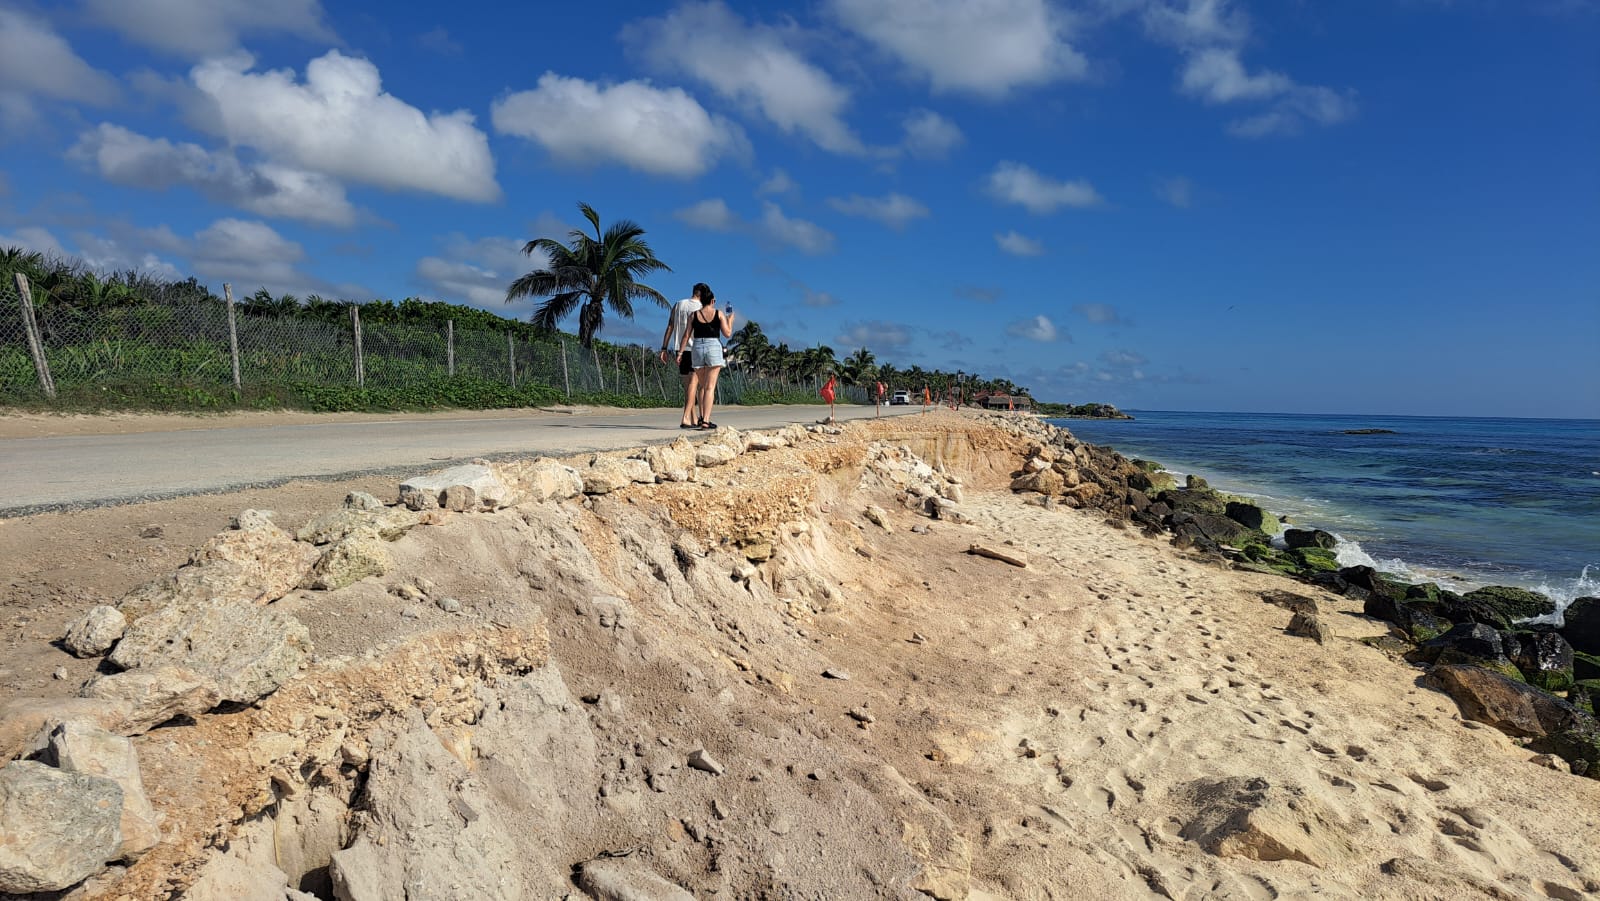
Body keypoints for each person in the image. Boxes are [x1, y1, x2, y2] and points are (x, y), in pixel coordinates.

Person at [677, 286, 732, 429]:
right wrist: (730, 320)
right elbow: (727, 333)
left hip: (697, 348)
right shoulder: (718, 313)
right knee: (710, 387)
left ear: (701, 300)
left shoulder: (693, 315)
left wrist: (680, 353)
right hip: (713, 346)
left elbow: (686, 335)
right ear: (712, 301)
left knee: (702, 385)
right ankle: (706, 420)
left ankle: (702, 418)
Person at [659, 283, 708, 428]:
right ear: (703, 294)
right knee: (696, 385)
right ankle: (687, 417)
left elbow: (670, 326)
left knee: (688, 387)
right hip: (695, 348)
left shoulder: (678, 304)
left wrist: (664, 348)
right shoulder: (700, 308)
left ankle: (693, 418)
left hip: (679, 348)